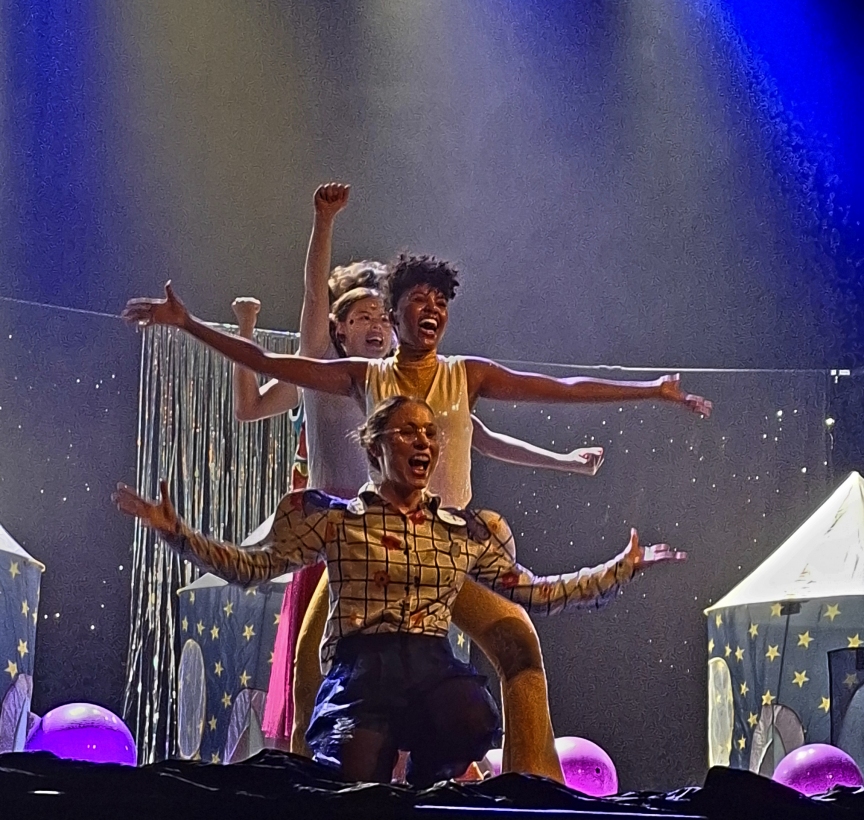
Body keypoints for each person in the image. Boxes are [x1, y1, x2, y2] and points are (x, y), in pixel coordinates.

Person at [122, 257, 710, 781]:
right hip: (372, 544)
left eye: (441, 301)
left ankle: (524, 783)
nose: (432, 309)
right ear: (395, 312)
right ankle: (316, 779)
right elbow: (270, 364)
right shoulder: (365, 381)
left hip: (445, 551)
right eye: (418, 300)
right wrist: (189, 324)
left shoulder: (464, 377)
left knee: (515, 639)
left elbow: (556, 390)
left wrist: (650, 391)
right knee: (310, 665)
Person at [113, 396, 683, 786]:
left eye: (430, 433)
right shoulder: (337, 520)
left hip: (430, 667)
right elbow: (253, 566)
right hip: (364, 670)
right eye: (407, 432)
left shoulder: (461, 531)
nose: (423, 442)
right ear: (375, 448)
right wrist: (179, 534)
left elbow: (532, 592)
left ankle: (427, 786)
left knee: (471, 718)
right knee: (356, 782)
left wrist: (618, 570)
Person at [230, 184, 605, 755]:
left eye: (380, 316)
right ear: (337, 328)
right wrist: (322, 225)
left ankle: (452, 760)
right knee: (316, 664)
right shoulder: (329, 370)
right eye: (360, 316)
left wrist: (562, 460)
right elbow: (295, 323)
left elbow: (478, 437)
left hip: (421, 536)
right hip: (346, 534)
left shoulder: (403, 385)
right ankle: (313, 763)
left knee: (439, 654)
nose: (375, 324)